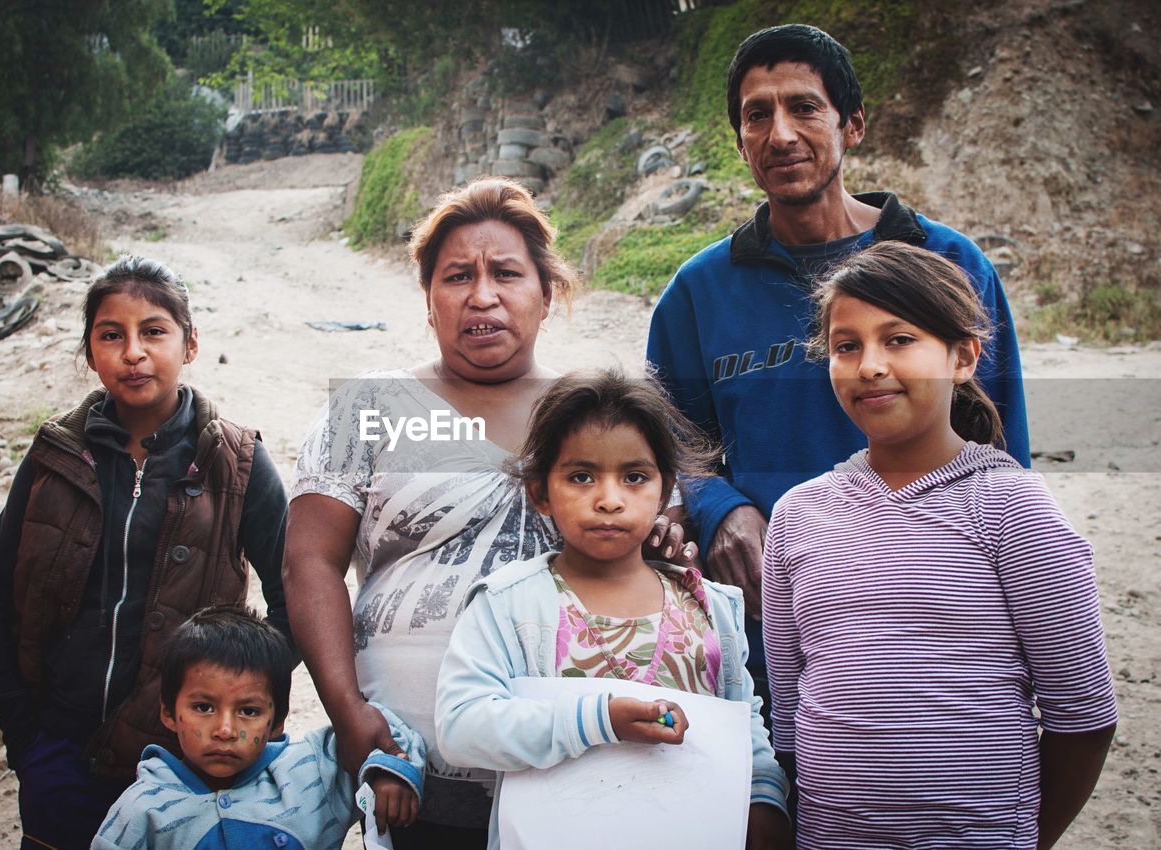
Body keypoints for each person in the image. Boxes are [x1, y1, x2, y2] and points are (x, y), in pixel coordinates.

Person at [284, 178, 693, 849]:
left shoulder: (597, 417)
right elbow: (309, 563)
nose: (481, 296)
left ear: (547, 292)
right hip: (409, 774)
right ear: (428, 299)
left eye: (506, 273)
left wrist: (664, 541)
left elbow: (653, 549)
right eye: (456, 277)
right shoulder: (369, 408)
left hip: (574, 767)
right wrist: (348, 709)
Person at [645, 23, 1031, 720]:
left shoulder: (950, 265)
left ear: (852, 124)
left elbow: (1002, 448)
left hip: (929, 613)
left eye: (804, 107)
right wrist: (719, 507)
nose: (780, 133)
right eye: (756, 115)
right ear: (739, 142)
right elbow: (667, 442)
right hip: (765, 622)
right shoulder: (698, 293)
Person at [762, 241, 1116, 848]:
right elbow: (790, 712)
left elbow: (1083, 717)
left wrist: (1028, 837)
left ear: (963, 357)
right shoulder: (798, 515)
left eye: (899, 340)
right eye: (847, 346)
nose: (870, 364)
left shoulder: (1011, 507)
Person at [0, 255, 291, 850]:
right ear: (90, 350)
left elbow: (293, 600)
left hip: (184, 766)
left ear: (189, 344)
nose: (133, 352)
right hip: (60, 747)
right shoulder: (55, 456)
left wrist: (235, 714)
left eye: (153, 331)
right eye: (111, 335)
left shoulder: (238, 462)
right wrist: (24, 735)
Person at [435, 368, 790, 849]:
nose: (609, 500)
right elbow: (462, 727)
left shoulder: (710, 605)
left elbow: (743, 723)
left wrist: (764, 800)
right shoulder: (510, 604)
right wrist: (599, 720)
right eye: (581, 476)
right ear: (540, 491)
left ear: (664, 492)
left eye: (634, 477)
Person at [93, 605, 424, 850]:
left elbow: (383, 724)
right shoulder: (142, 810)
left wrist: (387, 770)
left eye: (248, 711)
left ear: (277, 720)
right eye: (203, 707)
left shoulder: (311, 773)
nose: (225, 729)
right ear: (168, 712)